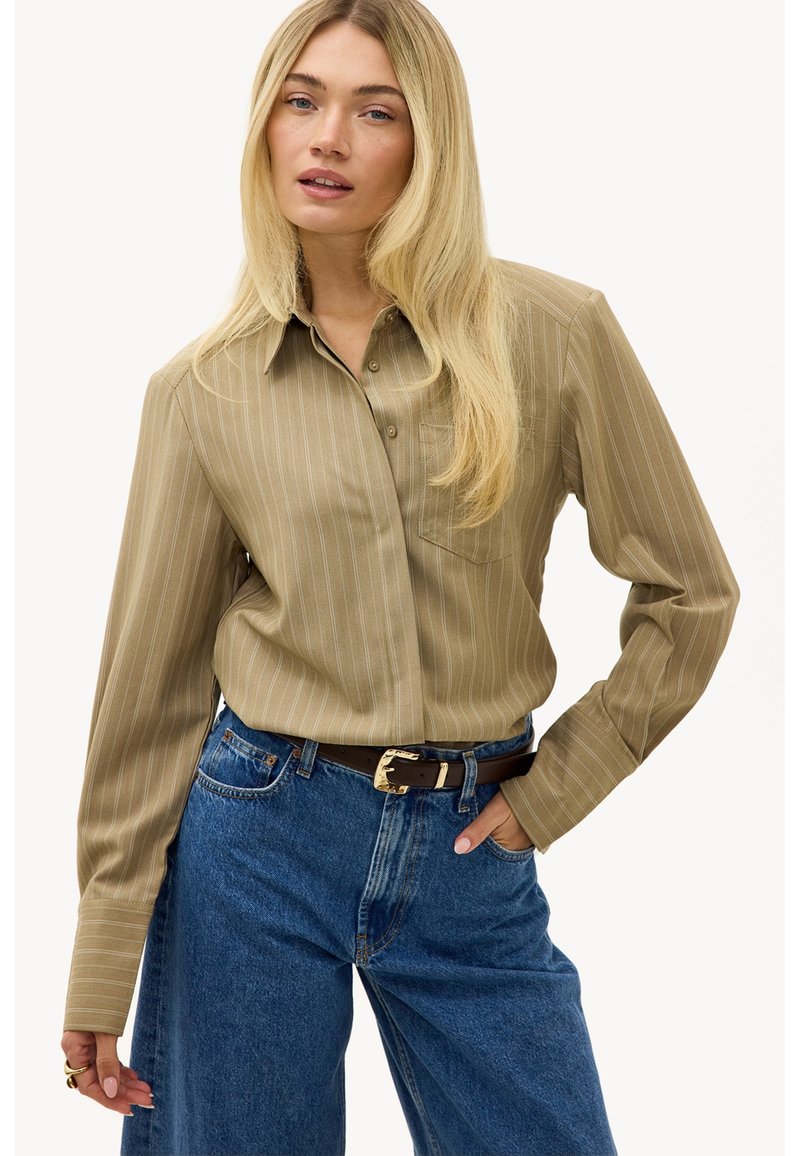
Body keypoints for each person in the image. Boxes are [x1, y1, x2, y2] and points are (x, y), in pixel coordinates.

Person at [60, 1, 740, 1153]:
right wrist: (102, 950)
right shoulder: (201, 390)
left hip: (474, 843)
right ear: (264, 125)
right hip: (257, 838)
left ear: (429, 142)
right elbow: (152, 689)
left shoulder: (553, 332)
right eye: (301, 101)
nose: (327, 137)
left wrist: (553, 789)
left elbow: (689, 593)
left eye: (374, 111)